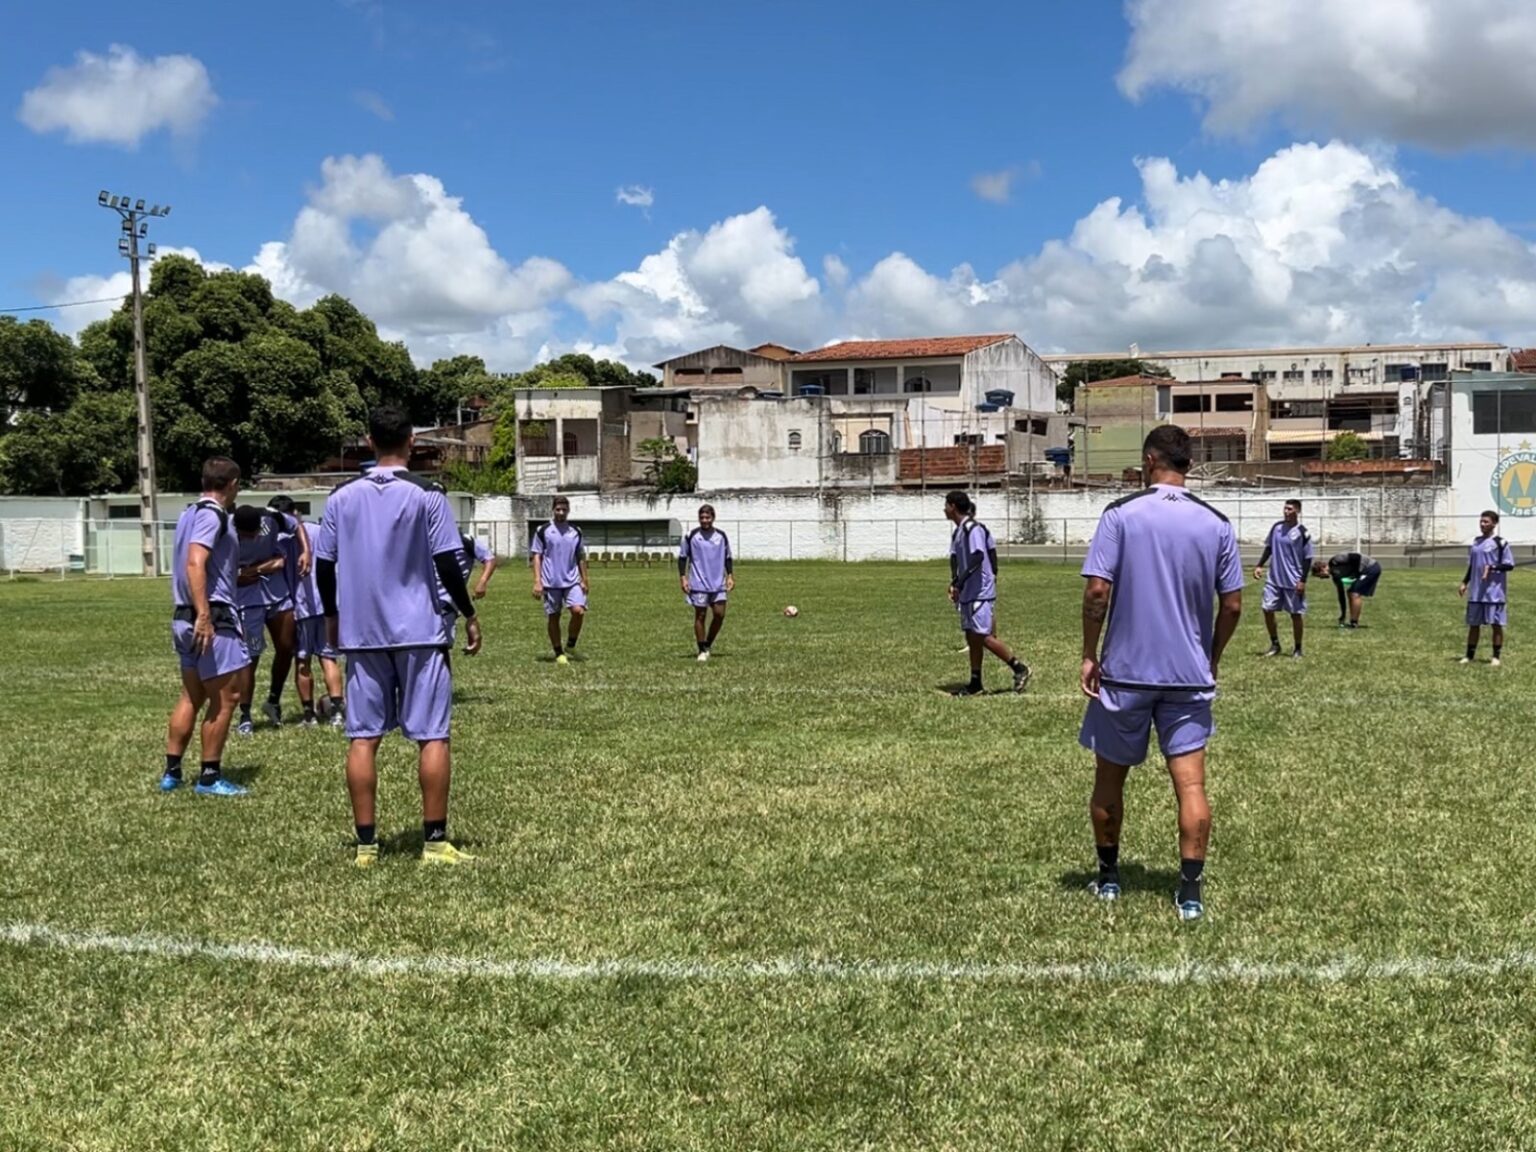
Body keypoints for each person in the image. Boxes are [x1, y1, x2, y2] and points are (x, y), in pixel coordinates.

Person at [1079, 426, 1244, 922]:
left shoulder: (1120, 514)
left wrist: (1090, 654)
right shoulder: (1216, 522)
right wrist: (1211, 655)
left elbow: (1096, 593)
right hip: (1188, 677)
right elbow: (1233, 604)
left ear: (1150, 460)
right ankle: (1189, 893)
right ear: (1187, 463)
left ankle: (1109, 879)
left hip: (1126, 674)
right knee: (1191, 785)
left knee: (1110, 778)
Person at [314, 405, 483, 868]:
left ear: (369, 442)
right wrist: (468, 612)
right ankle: (434, 842)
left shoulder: (340, 498)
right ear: (411, 441)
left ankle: (366, 847)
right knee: (432, 736)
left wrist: (331, 615)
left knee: (363, 738)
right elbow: (448, 561)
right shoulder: (427, 495)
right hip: (420, 631)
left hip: (362, 633)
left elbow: (323, 566)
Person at [161, 457, 252, 797]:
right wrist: (205, 615)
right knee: (227, 697)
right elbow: (196, 561)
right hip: (209, 617)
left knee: (192, 694)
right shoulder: (213, 515)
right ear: (232, 484)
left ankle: (172, 773)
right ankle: (210, 777)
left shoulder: (187, 513)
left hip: (183, 616)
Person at [944, 490, 1031, 696]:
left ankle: (1019, 668)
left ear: (953, 507)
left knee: (982, 636)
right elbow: (956, 559)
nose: (944, 509)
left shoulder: (973, 529)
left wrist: (960, 581)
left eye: (946, 505)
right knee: (971, 636)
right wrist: (955, 583)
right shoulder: (958, 531)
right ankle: (975, 683)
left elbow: (978, 557)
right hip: (968, 592)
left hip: (980, 591)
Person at [271, 497, 346, 729]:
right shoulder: (321, 531)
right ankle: (336, 712)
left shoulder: (281, 541)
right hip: (328, 603)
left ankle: (309, 715)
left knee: (302, 660)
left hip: (302, 607)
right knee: (328, 658)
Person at [529, 496, 585, 664]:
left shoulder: (576, 531)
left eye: (564, 509)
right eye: (558, 509)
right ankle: (558, 652)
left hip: (572, 580)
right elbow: (536, 556)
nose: (561, 512)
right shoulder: (543, 530)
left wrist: (585, 579)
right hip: (551, 582)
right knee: (554, 616)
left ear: (568, 510)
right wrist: (538, 581)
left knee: (578, 611)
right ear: (553, 510)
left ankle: (571, 644)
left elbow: (581, 555)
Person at [1254, 499, 1313, 658]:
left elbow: (1308, 559)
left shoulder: (1303, 533)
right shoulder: (1277, 528)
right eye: (1285, 509)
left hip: (1293, 580)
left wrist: (1302, 580)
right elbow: (1269, 548)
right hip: (1274, 578)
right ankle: (1275, 644)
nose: (1286, 512)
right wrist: (1259, 565)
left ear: (1297, 512)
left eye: (1290, 509)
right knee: (1267, 609)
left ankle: (1298, 648)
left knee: (1295, 614)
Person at [1460, 510, 1515, 666]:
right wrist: (1465, 582)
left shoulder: (1501, 543)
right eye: (1481, 521)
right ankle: (1469, 656)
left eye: (1486, 522)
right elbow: (1472, 565)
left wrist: (1491, 567)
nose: (1483, 524)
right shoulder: (1476, 542)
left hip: (1494, 592)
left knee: (1496, 624)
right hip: (1477, 592)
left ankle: (1496, 657)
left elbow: (1509, 565)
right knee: (1474, 624)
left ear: (1494, 523)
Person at [679, 504, 733, 661]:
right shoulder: (692, 535)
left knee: (719, 614)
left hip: (718, 583)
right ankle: (702, 648)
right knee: (700, 615)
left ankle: (707, 643)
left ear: (713, 518)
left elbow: (727, 557)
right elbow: (683, 557)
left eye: (707, 517)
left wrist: (730, 575)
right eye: (702, 517)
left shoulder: (721, 536)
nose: (705, 520)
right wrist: (683, 577)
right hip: (698, 582)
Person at [1314, 551, 1382, 629]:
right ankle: (1353, 622)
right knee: (1350, 592)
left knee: (1354, 593)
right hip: (1364, 571)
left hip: (1371, 567)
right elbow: (1341, 596)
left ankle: (1354, 623)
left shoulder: (1335, 561)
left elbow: (1355, 557)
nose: (1321, 578)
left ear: (1322, 568)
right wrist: (1343, 614)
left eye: (1320, 575)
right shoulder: (1336, 577)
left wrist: (1356, 573)